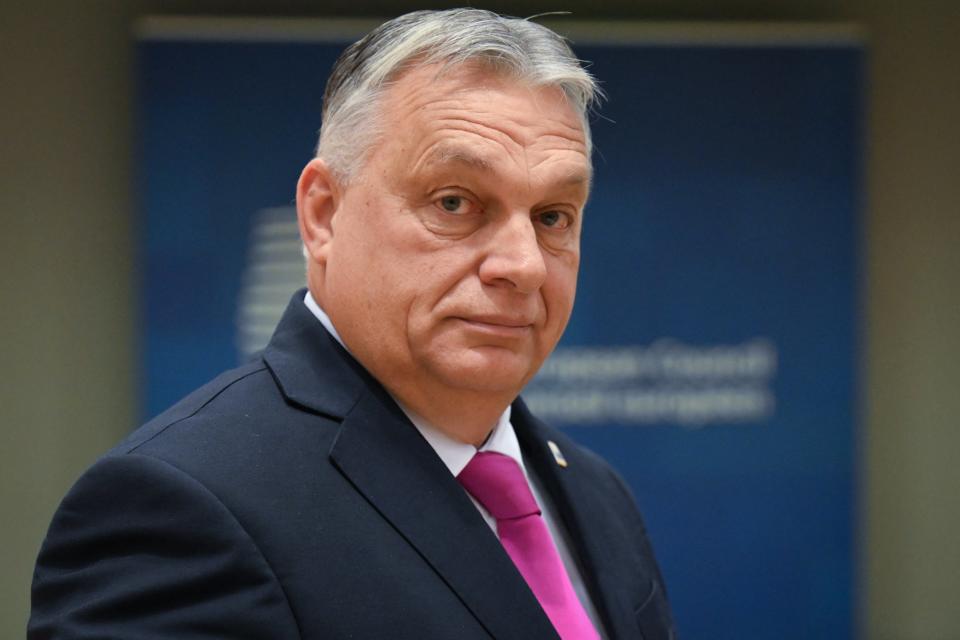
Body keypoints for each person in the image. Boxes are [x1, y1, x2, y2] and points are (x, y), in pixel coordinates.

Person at [29, 9, 676, 639]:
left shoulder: (595, 493)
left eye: (553, 216)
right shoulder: (182, 508)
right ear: (323, 216)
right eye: (454, 202)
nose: (523, 265)